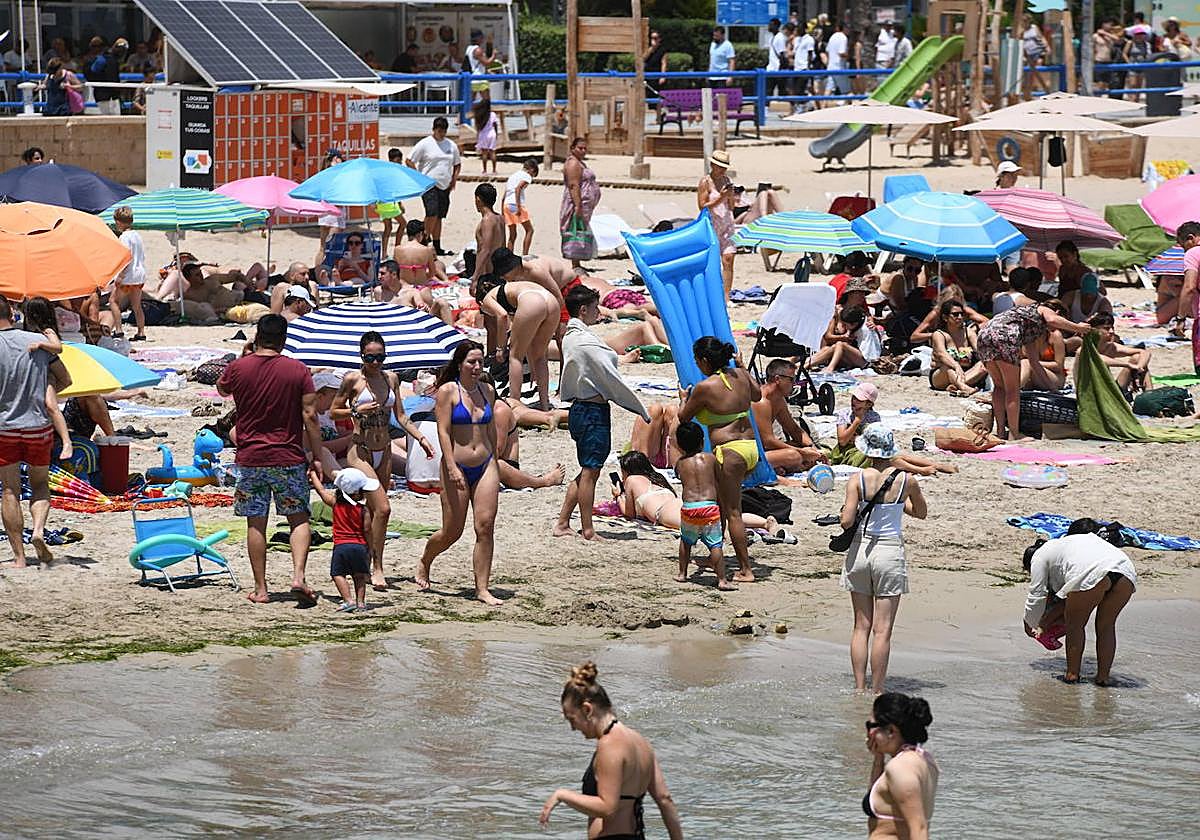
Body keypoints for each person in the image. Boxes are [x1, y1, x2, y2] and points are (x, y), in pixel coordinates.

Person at [215, 315, 323, 605]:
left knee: (256, 523)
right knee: (298, 518)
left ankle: (261, 589)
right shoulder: (298, 370)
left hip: (251, 458)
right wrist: (318, 454)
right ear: (284, 339)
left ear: (257, 337)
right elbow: (310, 415)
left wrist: (243, 354)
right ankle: (298, 576)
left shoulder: (239, 368)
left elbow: (222, 389)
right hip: (288, 455)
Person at [332, 331, 435, 590]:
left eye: (380, 357)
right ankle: (377, 568)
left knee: (373, 512)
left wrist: (420, 438)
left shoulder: (392, 379)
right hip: (360, 450)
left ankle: (363, 563)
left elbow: (401, 416)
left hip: (384, 449)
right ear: (361, 356)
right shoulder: (353, 380)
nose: (376, 363)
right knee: (384, 508)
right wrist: (355, 410)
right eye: (370, 358)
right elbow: (333, 411)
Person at [540, 662, 683, 839]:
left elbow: (607, 808)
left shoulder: (610, 744)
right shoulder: (641, 742)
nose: (573, 728)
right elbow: (664, 799)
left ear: (587, 709)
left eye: (572, 719)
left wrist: (563, 795)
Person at [553, 285, 651, 542]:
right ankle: (587, 529)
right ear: (584, 310)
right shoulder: (582, 340)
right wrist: (638, 407)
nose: (599, 311)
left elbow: (600, 362)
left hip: (580, 410)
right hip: (591, 412)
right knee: (590, 472)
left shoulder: (573, 336)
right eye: (595, 307)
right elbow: (606, 370)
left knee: (587, 470)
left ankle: (563, 523)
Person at [839, 424, 927, 694]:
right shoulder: (907, 480)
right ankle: (878, 690)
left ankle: (858, 688)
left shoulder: (856, 479)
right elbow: (920, 512)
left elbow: (846, 521)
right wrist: (900, 505)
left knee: (860, 627)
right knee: (883, 630)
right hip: (889, 553)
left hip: (860, 551)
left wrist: (845, 510)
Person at [415, 341, 503, 605]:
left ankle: (482, 589)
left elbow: (490, 430)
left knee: (485, 526)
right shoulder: (448, 391)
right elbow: (442, 431)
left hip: (486, 463)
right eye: (471, 362)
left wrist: (496, 462)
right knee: (452, 531)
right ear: (459, 364)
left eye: (480, 362)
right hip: (457, 465)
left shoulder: (487, 390)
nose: (476, 367)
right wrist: (451, 465)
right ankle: (425, 560)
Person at [678, 337, 759, 582]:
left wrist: (683, 397)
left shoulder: (705, 387)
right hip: (751, 448)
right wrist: (743, 367)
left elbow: (684, 417)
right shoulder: (741, 375)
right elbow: (757, 395)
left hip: (729, 451)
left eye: (696, 361)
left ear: (704, 361)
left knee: (733, 511)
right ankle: (717, 554)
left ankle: (746, 569)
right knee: (724, 505)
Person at [0, 296, 71, 568]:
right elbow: (66, 378)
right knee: (40, 484)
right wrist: (44, 388)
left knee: (9, 491)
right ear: (12, 313)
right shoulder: (37, 341)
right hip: (37, 425)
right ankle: (39, 531)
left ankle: (19, 558)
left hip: (5, 427)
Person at [1023, 521, 1137, 685]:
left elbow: (1037, 593)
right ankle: (1103, 678)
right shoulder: (1068, 546)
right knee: (1106, 626)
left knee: (1075, 625)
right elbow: (1063, 599)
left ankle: (1072, 675)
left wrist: (1029, 622)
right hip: (1125, 570)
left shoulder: (1039, 556)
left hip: (1093, 571)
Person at [977, 302, 1091, 439]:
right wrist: (1078, 327)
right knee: (1012, 391)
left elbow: (1034, 363)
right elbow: (1052, 319)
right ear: (1057, 312)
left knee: (1000, 387)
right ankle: (1014, 433)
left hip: (984, 335)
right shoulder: (1042, 309)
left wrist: (1053, 389)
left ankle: (1001, 431)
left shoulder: (1029, 325)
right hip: (1004, 335)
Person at [475, 272, 560, 411]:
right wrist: (532, 365)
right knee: (540, 356)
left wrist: (500, 348)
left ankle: (515, 405)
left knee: (515, 356)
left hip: (531, 301)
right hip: (550, 300)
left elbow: (501, 316)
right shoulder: (510, 292)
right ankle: (545, 405)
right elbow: (527, 339)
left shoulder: (486, 299)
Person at [863, 693, 939, 834]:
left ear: (891, 731)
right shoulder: (925, 760)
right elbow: (879, 802)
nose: (868, 734)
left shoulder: (900, 768)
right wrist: (878, 760)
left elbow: (919, 828)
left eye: (870, 726)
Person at [672, 422, 732, 589]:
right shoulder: (711, 459)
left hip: (690, 507)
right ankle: (721, 580)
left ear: (680, 445)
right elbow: (719, 480)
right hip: (709, 507)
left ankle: (682, 574)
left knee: (685, 541)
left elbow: (683, 480)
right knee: (715, 544)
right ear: (702, 441)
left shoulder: (680, 464)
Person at [308, 466, 376, 612]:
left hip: (341, 546)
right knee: (359, 575)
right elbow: (367, 530)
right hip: (359, 546)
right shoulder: (363, 510)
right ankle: (361, 603)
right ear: (358, 494)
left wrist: (313, 475)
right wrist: (371, 547)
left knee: (337, 574)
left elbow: (321, 491)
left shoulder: (335, 504)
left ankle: (348, 600)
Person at [20, 297, 74, 462]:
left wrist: (41, 345)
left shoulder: (47, 332)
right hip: (36, 373)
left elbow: (58, 348)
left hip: (48, 372)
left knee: (51, 405)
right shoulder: (30, 332)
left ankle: (66, 442)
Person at [751, 358, 827, 473]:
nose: (794, 383)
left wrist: (812, 448)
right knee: (794, 455)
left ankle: (781, 467)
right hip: (752, 453)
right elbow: (768, 441)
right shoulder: (761, 401)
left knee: (799, 448)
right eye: (792, 379)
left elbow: (794, 429)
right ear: (777, 379)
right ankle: (787, 466)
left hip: (763, 449)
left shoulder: (778, 400)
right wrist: (803, 453)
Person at [407, 117, 461, 256]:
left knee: (439, 217)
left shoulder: (451, 145)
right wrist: (419, 176)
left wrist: (454, 180)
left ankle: (437, 245)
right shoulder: (425, 144)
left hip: (445, 184)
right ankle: (423, 240)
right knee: (432, 213)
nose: (441, 134)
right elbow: (409, 160)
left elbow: (457, 164)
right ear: (434, 129)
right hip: (429, 184)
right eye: (439, 131)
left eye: (444, 131)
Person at [697, 149, 737, 298]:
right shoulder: (705, 182)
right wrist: (721, 197)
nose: (722, 170)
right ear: (712, 165)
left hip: (727, 222)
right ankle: (712, 294)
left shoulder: (726, 181)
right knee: (712, 261)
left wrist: (731, 196)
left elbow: (731, 206)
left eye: (724, 167)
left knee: (728, 259)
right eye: (719, 166)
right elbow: (702, 206)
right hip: (711, 224)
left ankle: (726, 296)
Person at [928, 300, 986, 395]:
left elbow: (980, 351)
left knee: (984, 364)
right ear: (945, 317)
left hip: (966, 373)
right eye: (955, 314)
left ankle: (956, 385)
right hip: (941, 375)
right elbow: (942, 354)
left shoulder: (968, 332)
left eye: (961, 314)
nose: (959, 317)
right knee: (948, 367)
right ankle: (963, 387)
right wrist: (956, 365)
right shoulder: (939, 334)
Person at [561, 137, 600, 270]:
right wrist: (578, 206)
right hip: (577, 202)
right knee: (575, 230)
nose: (583, 151)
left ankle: (577, 261)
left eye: (585, 148)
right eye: (580, 148)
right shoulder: (573, 164)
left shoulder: (580, 163)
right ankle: (575, 262)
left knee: (580, 230)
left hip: (584, 203)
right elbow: (573, 185)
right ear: (572, 148)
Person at [808, 306, 882, 373]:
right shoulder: (859, 323)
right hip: (859, 356)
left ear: (854, 324)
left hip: (867, 360)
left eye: (846, 325)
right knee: (829, 348)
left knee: (840, 345)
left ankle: (830, 368)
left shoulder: (866, 329)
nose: (845, 328)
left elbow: (870, 355)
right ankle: (804, 365)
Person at [1090, 311, 1151, 391]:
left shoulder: (1111, 346)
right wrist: (1127, 365)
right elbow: (1098, 359)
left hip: (1110, 388)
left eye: (1112, 328)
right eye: (1106, 328)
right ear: (1095, 330)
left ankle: (1149, 393)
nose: (1112, 331)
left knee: (1137, 358)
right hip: (1093, 390)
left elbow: (1144, 352)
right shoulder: (1085, 348)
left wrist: (1139, 367)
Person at [1176, 221, 1200, 374]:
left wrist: (1181, 318)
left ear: (1191, 238)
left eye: (1182, 245)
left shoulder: (1193, 253)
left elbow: (1189, 287)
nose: (1183, 250)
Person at [315, 149, 345, 267]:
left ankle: (318, 271)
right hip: (335, 211)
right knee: (333, 247)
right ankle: (329, 272)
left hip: (324, 210)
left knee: (323, 247)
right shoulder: (338, 174)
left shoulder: (323, 173)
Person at [471, 183, 505, 285]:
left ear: (478, 199)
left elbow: (485, 250)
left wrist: (475, 278)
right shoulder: (500, 218)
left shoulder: (487, 220)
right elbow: (504, 246)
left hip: (488, 274)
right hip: (498, 270)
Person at [503, 158, 538, 254]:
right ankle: (525, 254)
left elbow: (505, 193)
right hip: (516, 204)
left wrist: (503, 209)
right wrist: (518, 206)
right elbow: (518, 188)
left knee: (512, 234)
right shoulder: (527, 176)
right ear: (531, 170)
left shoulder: (513, 176)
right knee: (529, 230)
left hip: (506, 204)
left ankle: (508, 256)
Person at [377, 147, 407, 256]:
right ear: (392, 159)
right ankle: (397, 250)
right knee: (403, 224)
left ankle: (384, 253)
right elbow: (394, 190)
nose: (400, 162)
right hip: (389, 203)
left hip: (381, 203)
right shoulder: (393, 172)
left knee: (388, 228)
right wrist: (400, 204)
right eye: (398, 160)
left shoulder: (383, 171)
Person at [88, 37, 127, 115]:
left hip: (104, 96)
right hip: (106, 97)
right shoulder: (107, 59)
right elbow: (111, 79)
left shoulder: (103, 59)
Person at [472, 98, 499, 173]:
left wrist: (477, 136)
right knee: (492, 152)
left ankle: (485, 170)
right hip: (491, 133)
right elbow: (495, 125)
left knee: (484, 153)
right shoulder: (492, 114)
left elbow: (477, 127)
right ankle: (494, 170)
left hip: (483, 134)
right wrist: (496, 134)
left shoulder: (480, 115)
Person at [823, 22, 850, 99]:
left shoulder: (832, 37)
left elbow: (827, 51)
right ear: (844, 28)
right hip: (839, 67)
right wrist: (849, 56)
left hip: (831, 67)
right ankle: (853, 108)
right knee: (847, 91)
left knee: (828, 89)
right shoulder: (843, 38)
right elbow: (841, 53)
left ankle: (823, 106)